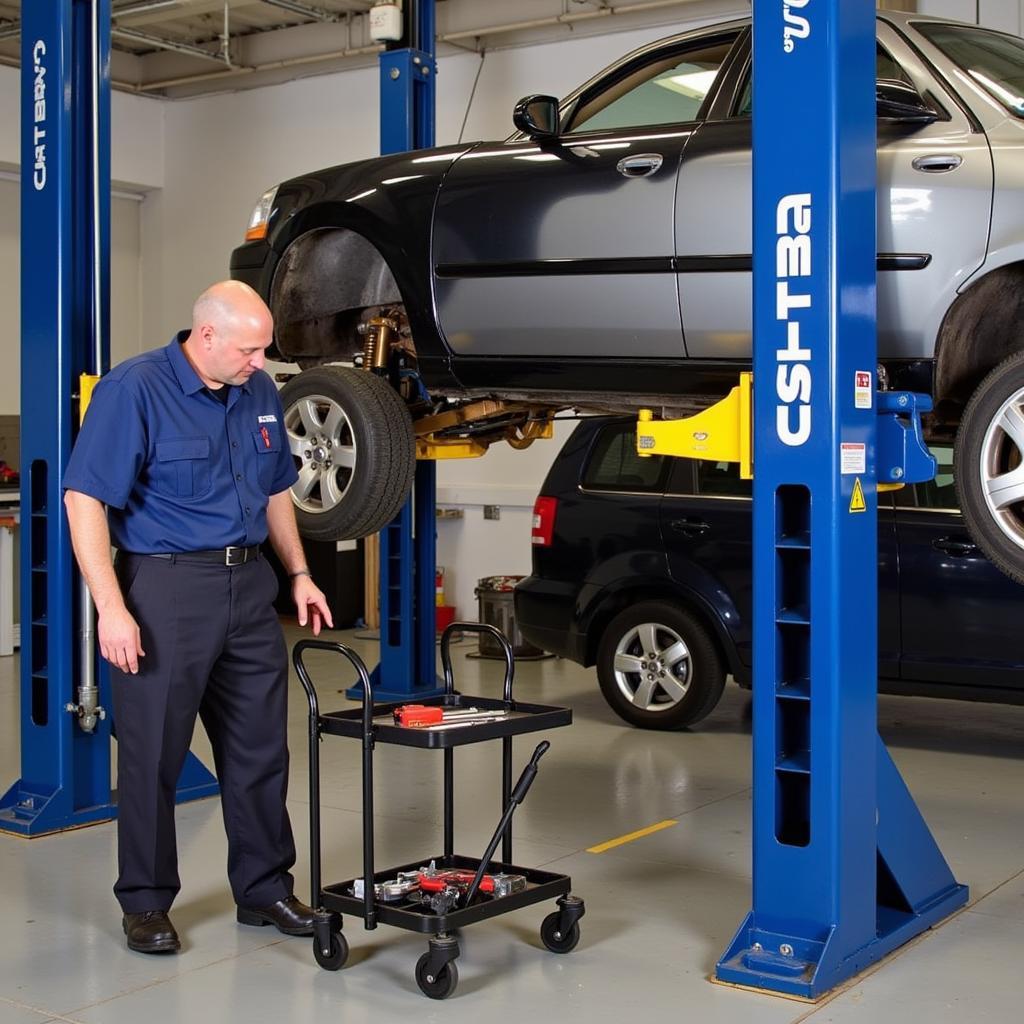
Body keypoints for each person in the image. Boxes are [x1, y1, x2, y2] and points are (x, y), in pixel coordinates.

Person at [63, 280, 334, 954]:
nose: (260, 362)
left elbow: (276, 490)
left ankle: (265, 888)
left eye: (264, 349)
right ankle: (147, 904)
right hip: (166, 590)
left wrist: (298, 573)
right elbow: (84, 499)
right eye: (249, 349)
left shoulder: (258, 391)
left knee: (260, 749)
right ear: (205, 335)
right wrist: (112, 608)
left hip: (250, 588)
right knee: (154, 754)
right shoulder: (134, 390)